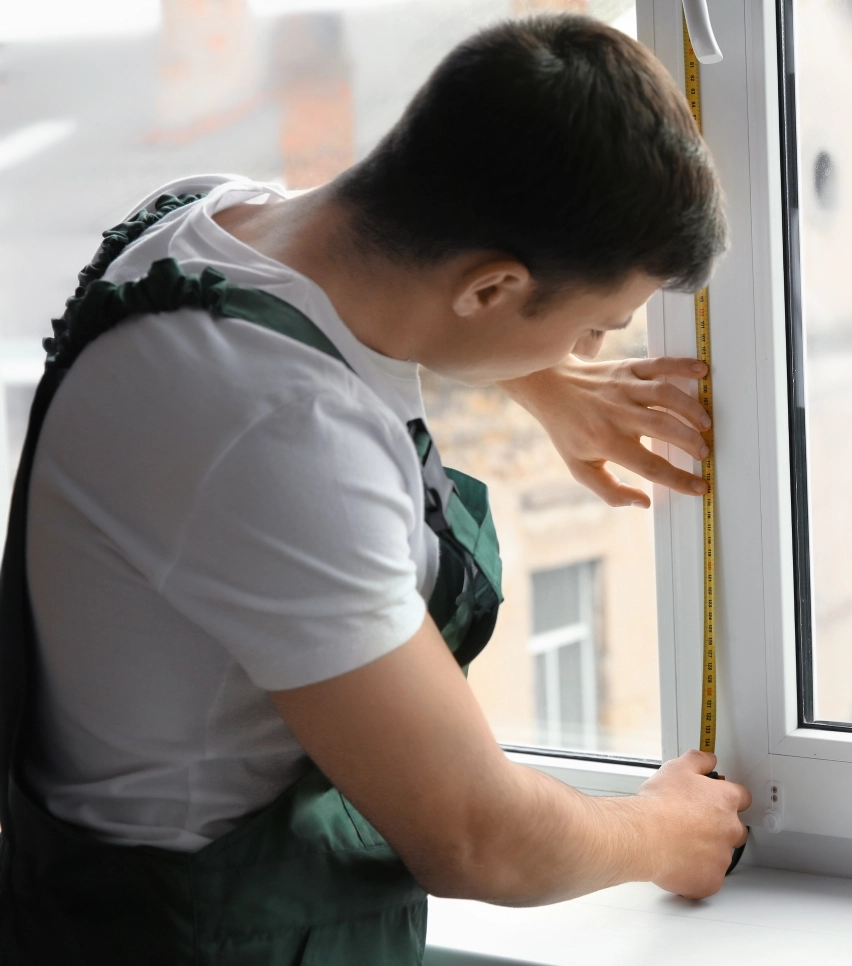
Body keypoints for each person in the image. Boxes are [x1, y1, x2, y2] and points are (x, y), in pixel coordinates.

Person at [0, 14, 750, 965]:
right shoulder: (283, 439)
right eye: (595, 327)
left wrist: (542, 378)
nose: (590, 354)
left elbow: (375, 285)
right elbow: (477, 839)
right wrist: (664, 832)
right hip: (192, 936)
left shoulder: (199, 218)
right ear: (490, 288)